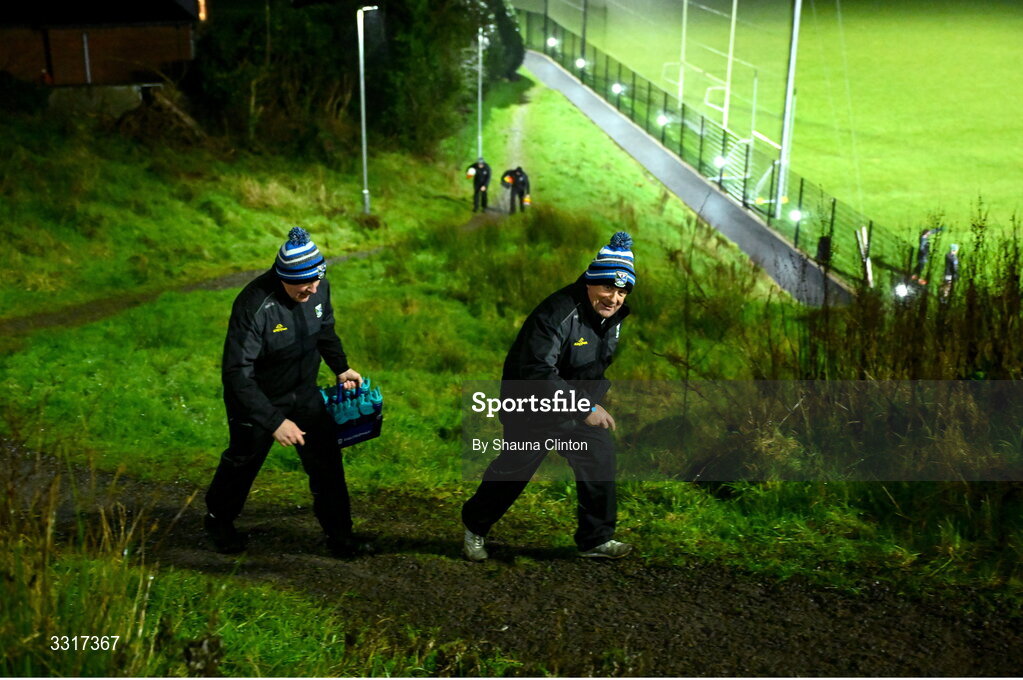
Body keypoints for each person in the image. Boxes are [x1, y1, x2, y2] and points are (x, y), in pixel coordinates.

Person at [461, 231, 636, 561]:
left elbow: (592, 366)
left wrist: (591, 401)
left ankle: (595, 540)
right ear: (590, 282)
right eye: (608, 287)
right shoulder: (558, 313)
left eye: (622, 291)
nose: (614, 298)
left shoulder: (611, 320)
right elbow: (538, 370)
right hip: (531, 405)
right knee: (515, 471)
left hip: (573, 404)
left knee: (599, 458)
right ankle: (474, 526)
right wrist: (584, 406)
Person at [204, 227, 365, 557]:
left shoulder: (317, 288)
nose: (314, 288)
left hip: (303, 393)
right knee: (243, 462)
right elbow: (236, 373)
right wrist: (275, 421)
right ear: (283, 278)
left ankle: (340, 536)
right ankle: (219, 520)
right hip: (257, 399)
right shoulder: (253, 306)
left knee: (328, 465)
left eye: (317, 279)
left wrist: (341, 366)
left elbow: (325, 330)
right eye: (305, 284)